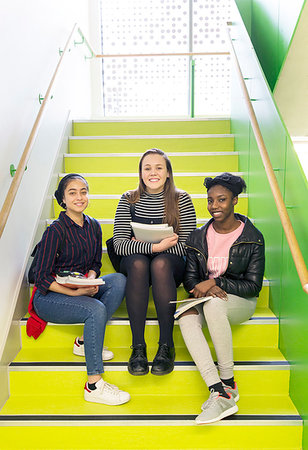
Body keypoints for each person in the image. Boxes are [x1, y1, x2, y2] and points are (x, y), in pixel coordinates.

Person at [32, 173, 130, 406]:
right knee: (95, 309)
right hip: (50, 297)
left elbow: (95, 264)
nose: (79, 197)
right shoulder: (55, 230)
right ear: (63, 199)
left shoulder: (94, 226)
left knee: (118, 279)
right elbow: (41, 277)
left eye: (83, 191)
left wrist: (92, 280)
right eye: (72, 192)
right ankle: (94, 385)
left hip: (81, 287)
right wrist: (76, 293)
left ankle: (85, 342)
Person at [178, 172, 265, 424]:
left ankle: (228, 380)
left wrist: (217, 282)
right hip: (206, 298)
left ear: (235, 200)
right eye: (210, 200)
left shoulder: (252, 237)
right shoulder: (197, 236)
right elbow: (191, 280)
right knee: (185, 314)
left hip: (240, 301)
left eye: (221, 200)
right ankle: (217, 390)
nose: (214, 206)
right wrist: (202, 288)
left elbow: (252, 286)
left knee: (215, 305)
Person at [113, 148, 197, 376]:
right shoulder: (128, 199)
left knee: (159, 264)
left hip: (170, 266)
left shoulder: (182, 199)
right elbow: (119, 244)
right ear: (140, 173)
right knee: (140, 263)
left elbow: (189, 243)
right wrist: (156, 247)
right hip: (135, 264)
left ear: (168, 172)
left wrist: (157, 250)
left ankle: (166, 345)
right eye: (147, 168)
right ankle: (138, 347)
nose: (153, 172)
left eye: (159, 167)